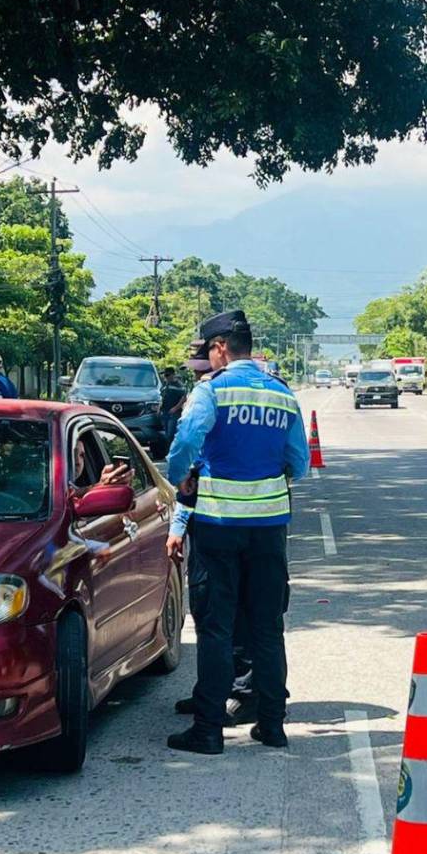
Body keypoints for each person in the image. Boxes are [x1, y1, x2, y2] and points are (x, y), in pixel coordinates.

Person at [165, 310, 309, 755]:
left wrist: (180, 479)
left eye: (209, 350)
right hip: (269, 529)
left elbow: (186, 443)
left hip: (219, 527)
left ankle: (208, 730)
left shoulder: (211, 390)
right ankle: (272, 725)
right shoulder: (283, 393)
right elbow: (299, 463)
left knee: (216, 627)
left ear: (221, 347)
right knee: (267, 627)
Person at [159, 367, 188, 443]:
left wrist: (175, 408)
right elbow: (162, 397)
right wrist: (159, 408)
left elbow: (184, 398)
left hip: (174, 413)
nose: (166, 377)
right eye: (165, 375)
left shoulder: (179, 384)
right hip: (165, 411)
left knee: (171, 434)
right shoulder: (165, 384)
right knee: (166, 434)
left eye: (167, 375)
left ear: (173, 375)